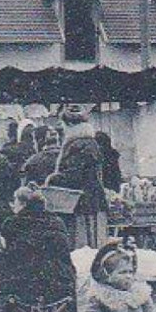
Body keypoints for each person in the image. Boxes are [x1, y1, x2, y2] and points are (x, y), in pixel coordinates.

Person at [0, 184, 78, 312]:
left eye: (14, 203)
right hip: (60, 287)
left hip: (27, 288)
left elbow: (11, 259)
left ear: (22, 204)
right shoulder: (58, 222)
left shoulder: (13, 223)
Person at [50, 105, 109, 249]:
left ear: (69, 125)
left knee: (84, 247)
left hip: (82, 204)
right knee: (93, 246)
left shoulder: (78, 144)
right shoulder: (89, 142)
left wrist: (53, 179)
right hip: (92, 201)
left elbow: (73, 176)